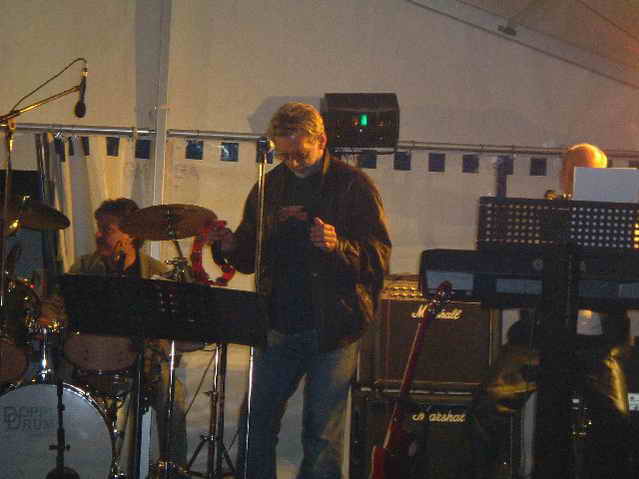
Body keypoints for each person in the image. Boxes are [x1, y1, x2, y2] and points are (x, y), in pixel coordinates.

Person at [209, 102, 392, 478]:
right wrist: (228, 246)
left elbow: (378, 258)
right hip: (277, 324)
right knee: (254, 425)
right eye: (284, 154)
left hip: (334, 327)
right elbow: (248, 255)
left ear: (321, 141)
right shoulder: (269, 185)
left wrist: (337, 246)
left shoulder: (353, 185)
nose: (292, 162)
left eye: (300, 154)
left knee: (322, 436)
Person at [464, 143, 632, 478]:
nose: (581, 179)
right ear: (564, 175)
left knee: (616, 420)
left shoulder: (624, 226)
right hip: (538, 339)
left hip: (596, 346)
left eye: (591, 174)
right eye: (575, 172)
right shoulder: (544, 217)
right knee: (485, 408)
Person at [44, 198, 189, 476]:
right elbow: (56, 302)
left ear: (131, 235)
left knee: (173, 395)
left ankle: (174, 469)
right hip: (92, 356)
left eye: (107, 229)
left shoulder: (156, 272)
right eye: (99, 228)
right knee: (61, 384)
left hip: (142, 359)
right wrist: (47, 316)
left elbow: (178, 319)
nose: (98, 235)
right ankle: (71, 466)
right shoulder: (85, 267)